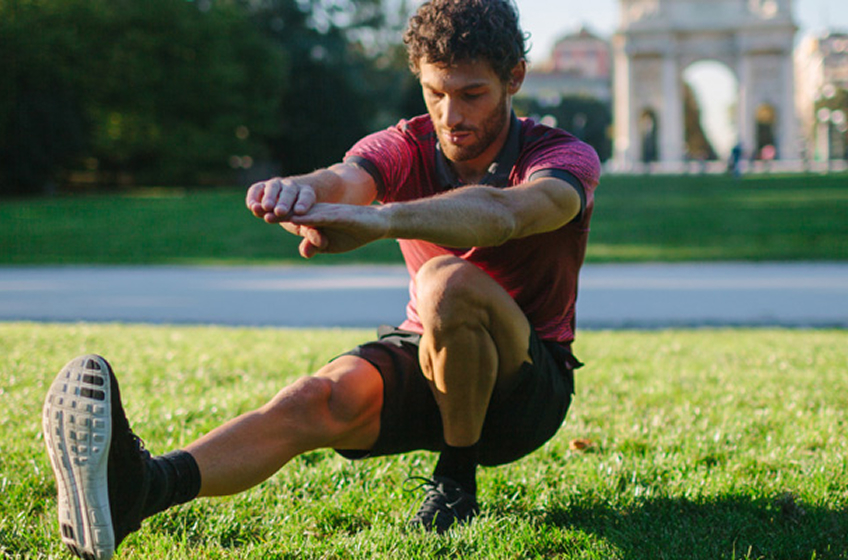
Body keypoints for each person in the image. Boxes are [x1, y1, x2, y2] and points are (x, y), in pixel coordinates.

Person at [40, 0, 601, 558]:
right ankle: (140, 488)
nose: (451, 115)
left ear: (514, 80)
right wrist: (298, 195)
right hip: (430, 351)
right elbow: (345, 179)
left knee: (444, 281)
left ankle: (456, 482)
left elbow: (506, 215)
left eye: (472, 94)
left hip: (525, 390)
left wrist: (382, 220)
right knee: (316, 398)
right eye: (435, 93)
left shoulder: (562, 157)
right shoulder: (405, 144)